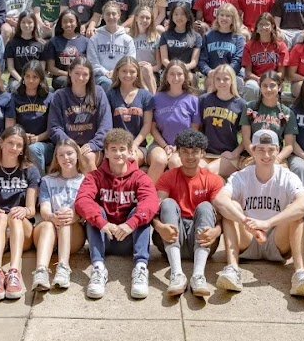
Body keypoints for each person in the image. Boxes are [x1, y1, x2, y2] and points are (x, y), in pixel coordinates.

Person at [212, 129, 304, 297]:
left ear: (277, 150)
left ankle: (300, 273)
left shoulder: (287, 176)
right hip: (248, 239)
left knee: (296, 213)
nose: (266, 155)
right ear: (252, 150)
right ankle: (232, 268)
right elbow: (220, 200)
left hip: (277, 241)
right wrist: (245, 221)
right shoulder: (241, 176)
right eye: (261, 149)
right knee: (231, 208)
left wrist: (267, 223)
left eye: (271, 150)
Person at [75, 127, 159, 299]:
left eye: (122, 149)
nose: (118, 153)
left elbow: (151, 203)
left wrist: (131, 224)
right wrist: (102, 223)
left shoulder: (140, 177)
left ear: (130, 152)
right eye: (113, 149)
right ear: (105, 152)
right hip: (105, 236)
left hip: (129, 237)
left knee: (141, 213)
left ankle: (141, 268)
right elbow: (82, 201)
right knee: (94, 210)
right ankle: (98, 268)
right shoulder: (95, 177)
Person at [153, 129, 227, 298]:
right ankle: (177, 274)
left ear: (203, 154)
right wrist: (159, 226)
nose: (190, 156)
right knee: (168, 203)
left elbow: (223, 213)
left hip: (201, 237)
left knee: (206, 206)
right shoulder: (168, 177)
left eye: (195, 152)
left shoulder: (213, 180)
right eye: (185, 151)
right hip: (172, 236)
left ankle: (198, 275)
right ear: (178, 153)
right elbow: (155, 208)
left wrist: (217, 231)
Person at [0, 126, 39, 302]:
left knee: (14, 216)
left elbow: (31, 210)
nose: (14, 148)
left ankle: (15, 272)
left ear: (23, 149)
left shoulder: (30, 171)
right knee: (1, 216)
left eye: (19, 145)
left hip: (23, 229)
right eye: (10, 143)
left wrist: (24, 210)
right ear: (1, 143)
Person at [32, 138, 89, 290]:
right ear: (56, 158)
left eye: (69, 153)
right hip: (48, 231)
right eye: (61, 155)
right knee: (50, 223)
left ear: (77, 155)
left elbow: (88, 209)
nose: (66, 158)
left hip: (73, 234)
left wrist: (75, 216)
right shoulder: (47, 181)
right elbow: (44, 210)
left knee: (65, 217)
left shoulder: (85, 181)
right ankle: (41, 271)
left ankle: (63, 268)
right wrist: (52, 217)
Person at [47, 57, 111, 170]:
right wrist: (70, 145)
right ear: (70, 72)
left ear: (90, 75)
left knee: (87, 157)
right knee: (69, 158)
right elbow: (54, 127)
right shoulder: (59, 96)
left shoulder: (99, 93)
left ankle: (93, 187)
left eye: (85, 74)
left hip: (92, 147)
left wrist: (93, 144)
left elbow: (106, 125)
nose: (81, 78)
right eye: (77, 73)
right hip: (66, 145)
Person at [148, 60, 201, 180]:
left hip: (185, 145)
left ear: (185, 77)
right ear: (166, 76)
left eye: (179, 74)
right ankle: (148, 195)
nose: (175, 77)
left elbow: (194, 130)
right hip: (160, 144)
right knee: (159, 161)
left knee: (175, 162)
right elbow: (152, 128)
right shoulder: (157, 98)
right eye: (171, 74)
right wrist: (165, 146)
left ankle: (181, 196)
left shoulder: (193, 100)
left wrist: (178, 146)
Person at [200, 64, 246, 177]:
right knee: (196, 172)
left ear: (232, 80)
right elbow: (198, 128)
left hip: (228, 155)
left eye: (226, 79)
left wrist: (234, 153)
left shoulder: (241, 104)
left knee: (208, 172)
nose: (222, 82)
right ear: (213, 81)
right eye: (218, 79)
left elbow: (247, 137)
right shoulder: (204, 100)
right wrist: (199, 148)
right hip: (206, 153)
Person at [107, 57, 154, 165]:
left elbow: (147, 125)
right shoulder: (110, 94)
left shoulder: (145, 96)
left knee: (130, 160)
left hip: (138, 146)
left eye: (132, 72)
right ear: (117, 72)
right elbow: (107, 124)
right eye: (124, 71)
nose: (128, 75)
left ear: (137, 74)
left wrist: (134, 144)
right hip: (115, 146)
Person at [13, 60, 53, 170]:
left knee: (33, 149)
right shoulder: (14, 98)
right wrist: (23, 136)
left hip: (45, 144)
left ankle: (38, 184)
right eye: (27, 76)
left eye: (35, 77)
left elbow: (52, 127)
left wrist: (37, 138)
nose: (30, 80)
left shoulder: (49, 98)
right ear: (23, 78)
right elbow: (12, 124)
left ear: (41, 79)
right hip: (21, 140)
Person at [88, 1, 136, 90]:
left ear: (119, 15)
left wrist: (117, 73)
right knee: (107, 83)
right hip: (100, 77)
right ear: (102, 16)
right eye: (107, 14)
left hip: (123, 75)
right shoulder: (95, 39)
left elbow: (131, 61)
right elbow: (93, 63)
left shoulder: (127, 39)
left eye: (114, 14)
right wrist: (106, 73)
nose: (111, 17)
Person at [199, 2, 246, 81]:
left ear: (233, 19)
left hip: (232, 76)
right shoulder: (208, 36)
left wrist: (225, 74)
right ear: (217, 17)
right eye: (222, 15)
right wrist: (209, 71)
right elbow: (202, 60)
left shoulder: (239, 38)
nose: (224, 18)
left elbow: (237, 61)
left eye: (228, 16)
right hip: (212, 75)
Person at [45, 10, 89, 90]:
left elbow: (89, 65)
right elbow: (51, 68)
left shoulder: (86, 41)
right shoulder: (53, 42)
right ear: (61, 24)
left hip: (81, 77)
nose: (68, 24)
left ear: (76, 23)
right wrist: (69, 74)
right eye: (65, 22)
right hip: (61, 78)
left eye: (71, 21)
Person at [4, 11, 46, 90]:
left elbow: (42, 68)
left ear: (34, 24)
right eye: (23, 22)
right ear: (19, 24)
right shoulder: (11, 44)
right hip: (17, 78)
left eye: (30, 22)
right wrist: (21, 80)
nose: (26, 25)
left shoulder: (41, 44)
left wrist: (34, 80)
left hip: (36, 78)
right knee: (16, 87)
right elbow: (11, 68)